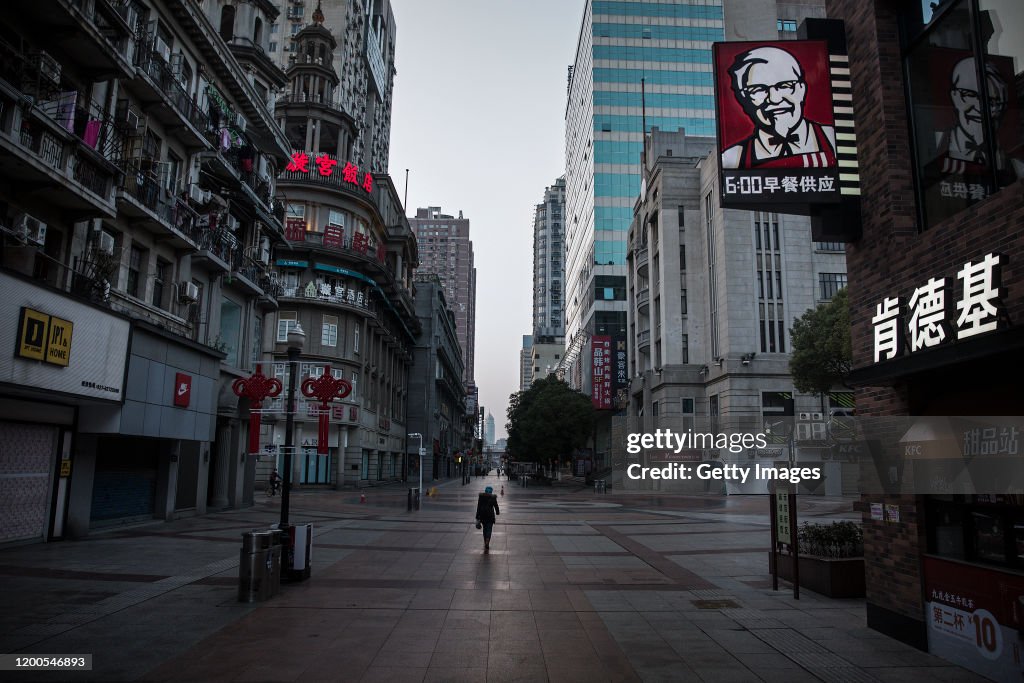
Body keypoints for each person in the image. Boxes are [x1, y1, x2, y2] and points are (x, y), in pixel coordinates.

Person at [721, 46, 837, 170]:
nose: (775, 99)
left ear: (802, 89)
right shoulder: (732, 158)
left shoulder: (832, 138)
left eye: (785, 85)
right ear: (743, 98)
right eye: (759, 89)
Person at [475, 485, 500, 553]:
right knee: (489, 529)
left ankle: (485, 541)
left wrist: (477, 517)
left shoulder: (481, 497)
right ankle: (487, 541)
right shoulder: (493, 497)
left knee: (485, 529)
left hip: (483, 516)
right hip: (490, 516)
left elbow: (478, 507)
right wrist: (497, 512)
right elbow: (496, 506)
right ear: (491, 491)